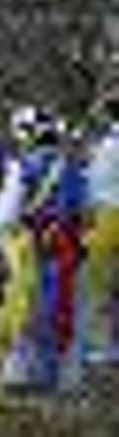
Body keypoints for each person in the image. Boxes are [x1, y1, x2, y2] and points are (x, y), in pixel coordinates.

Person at [0, 108, 86, 392]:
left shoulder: (24, 167)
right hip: (69, 245)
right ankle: (64, 376)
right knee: (63, 305)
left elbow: (7, 214)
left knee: (26, 304)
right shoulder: (72, 166)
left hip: (36, 245)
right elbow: (86, 207)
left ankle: (23, 374)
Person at [82, 96, 119, 364]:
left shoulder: (108, 146)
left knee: (98, 282)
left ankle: (105, 344)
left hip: (108, 216)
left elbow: (94, 186)